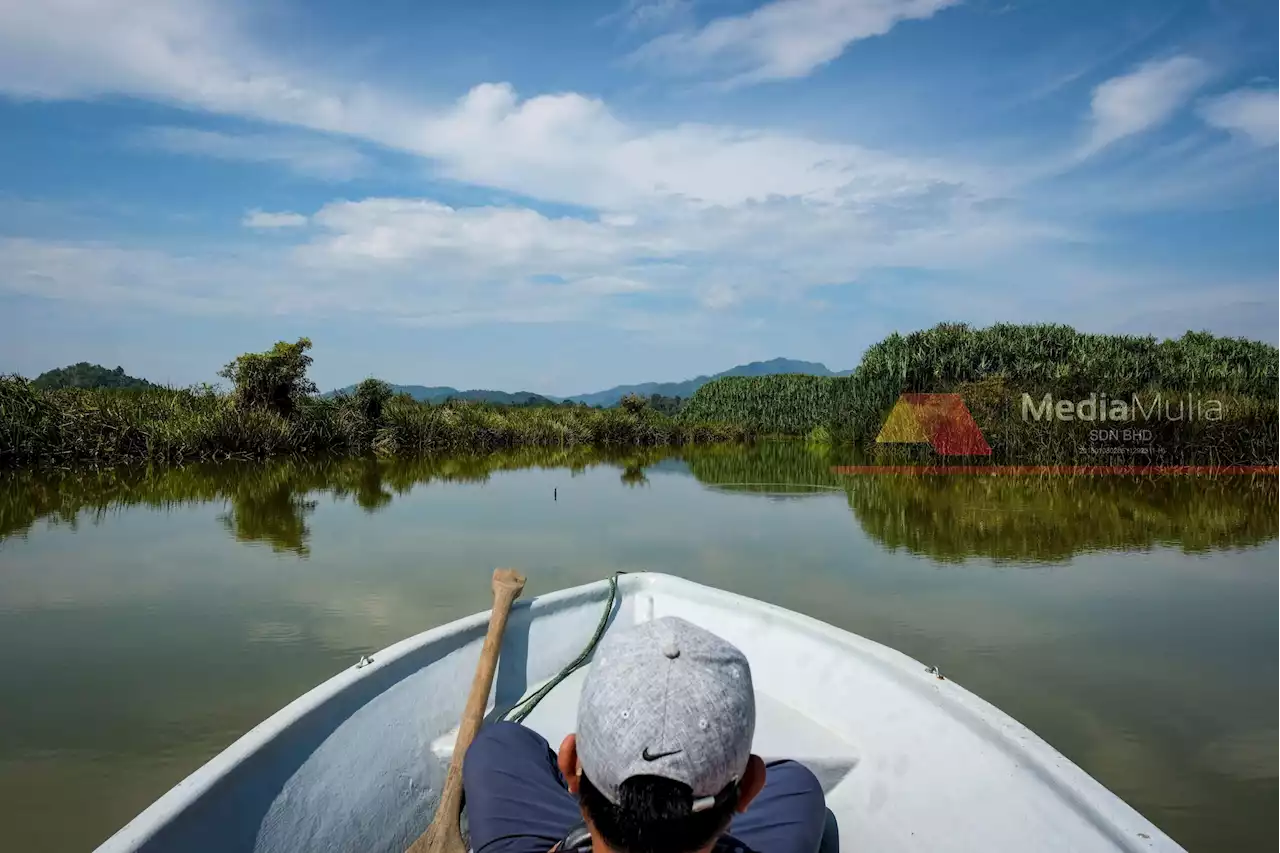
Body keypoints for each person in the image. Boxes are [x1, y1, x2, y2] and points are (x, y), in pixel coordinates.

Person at [463, 616, 829, 853]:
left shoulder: (570, 774)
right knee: (799, 785)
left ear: (571, 764)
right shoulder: (761, 785)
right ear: (750, 786)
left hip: (589, 829)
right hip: (705, 824)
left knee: (498, 744)